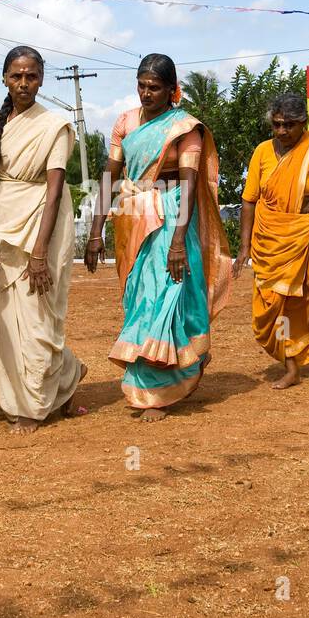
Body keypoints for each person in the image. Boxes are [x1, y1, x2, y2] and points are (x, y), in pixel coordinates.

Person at [85, 54, 231, 420]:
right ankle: (186, 360)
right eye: (141, 85)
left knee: (162, 300)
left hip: (171, 218)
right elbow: (109, 176)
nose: (146, 93)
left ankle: (157, 391)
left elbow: (189, 183)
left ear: (171, 90)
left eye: (154, 87)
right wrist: (94, 230)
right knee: (138, 299)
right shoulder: (125, 122)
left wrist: (179, 240)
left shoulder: (185, 127)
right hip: (133, 220)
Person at [0, 46, 86, 433]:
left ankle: (35, 405)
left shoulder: (55, 126)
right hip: (3, 226)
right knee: (8, 318)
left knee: (39, 317)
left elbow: (54, 191)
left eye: (32, 76)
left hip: (45, 224)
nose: (24, 83)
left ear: (41, 79)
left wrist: (39, 253)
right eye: (17, 76)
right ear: (5, 78)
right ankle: (68, 375)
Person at [233, 93, 309, 389]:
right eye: (277, 125)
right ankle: (291, 366)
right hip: (270, 238)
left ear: (304, 123)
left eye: (289, 125)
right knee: (279, 307)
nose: (282, 131)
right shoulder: (261, 152)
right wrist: (244, 246)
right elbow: (249, 200)